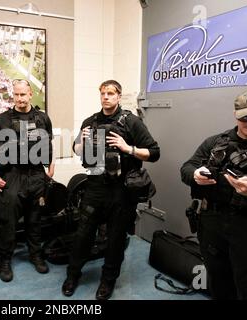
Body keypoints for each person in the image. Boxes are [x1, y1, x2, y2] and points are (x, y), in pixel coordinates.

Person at [62, 80, 160, 300]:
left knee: (115, 239)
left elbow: (154, 152)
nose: (106, 97)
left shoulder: (131, 122)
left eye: (110, 93)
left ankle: (108, 280)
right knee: (82, 235)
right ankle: (73, 274)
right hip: (95, 187)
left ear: (118, 96)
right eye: (103, 93)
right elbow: (76, 150)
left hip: (121, 191)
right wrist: (81, 143)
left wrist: (128, 148)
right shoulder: (90, 121)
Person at [180, 88, 247, 300]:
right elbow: (186, 167)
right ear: (235, 115)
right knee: (219, 281)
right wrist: (195, 174)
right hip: (213, 224)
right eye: (244, 117)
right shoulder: (215, 142)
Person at [0, 79, 54, 282]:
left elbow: (49, 143)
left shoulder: (42, 118)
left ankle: (36, 255)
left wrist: (50, 167)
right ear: (12, 95)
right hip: (12, 175)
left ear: (30, 94)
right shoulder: (3, 119)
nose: (19, 98)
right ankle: (5, 260)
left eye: (23, 94)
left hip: (36, 174)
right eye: (16, 94)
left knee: (35, 219)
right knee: (8, 221)